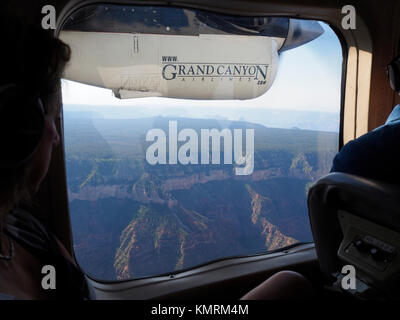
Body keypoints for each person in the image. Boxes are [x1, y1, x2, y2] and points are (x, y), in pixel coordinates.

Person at [0, 16, 92, 299]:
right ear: (24, 126)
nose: (56, 137)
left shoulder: (27, 231)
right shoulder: (27, 234)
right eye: (52, 118)